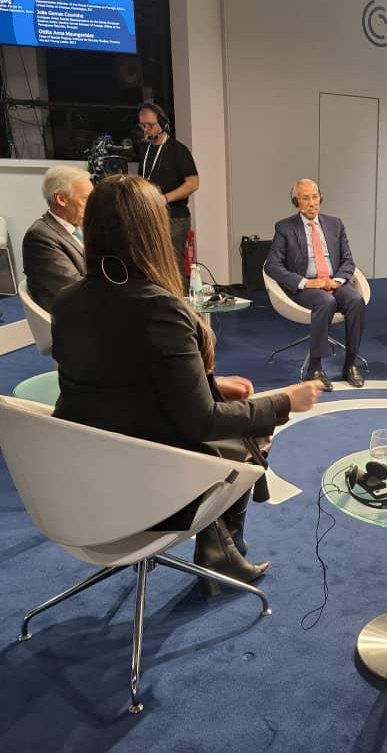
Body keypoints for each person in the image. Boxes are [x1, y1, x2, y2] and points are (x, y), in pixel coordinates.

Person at [51, 175, 322, 591]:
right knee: (252, 430)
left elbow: (120, 379)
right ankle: (221, 548)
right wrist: (285, 400)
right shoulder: (160, 309)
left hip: (79, 478)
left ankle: (219, 548)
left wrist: (208, 383)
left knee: (237, 415)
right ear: (151, 233)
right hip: (150, 484)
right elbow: (202, 422)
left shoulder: (67, 303)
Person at [264, 179, 366, 391]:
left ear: (321, 198)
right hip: (306, 287)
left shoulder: (335, 224)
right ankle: (315, 368)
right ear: (296, 202)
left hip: (333, 281)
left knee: (356, 300)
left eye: (315, 197)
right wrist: (307, 283)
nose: (312, 203)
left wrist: (336, 281)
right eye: (305, 198)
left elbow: (348, 261)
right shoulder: (285, 227)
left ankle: (350, 364)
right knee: (326, 301)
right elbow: (272, 265)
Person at [137, 102, 198, 281]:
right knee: (151, 264)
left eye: (150, 125)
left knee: (171, 265)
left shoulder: (178, 150)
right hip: (150, 216)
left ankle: (176, 297)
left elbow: (193, 183)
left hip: (174, 218)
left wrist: (165, 198)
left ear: (163, 123)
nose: (146, 130)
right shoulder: (145, 149)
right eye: (143, 125)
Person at [22, 165, 93, 311]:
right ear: (61, 199)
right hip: (78, 318)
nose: (93, 206)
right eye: (87, 199)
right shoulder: (40, 238)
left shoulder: (79, 226)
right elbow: (76, 294)